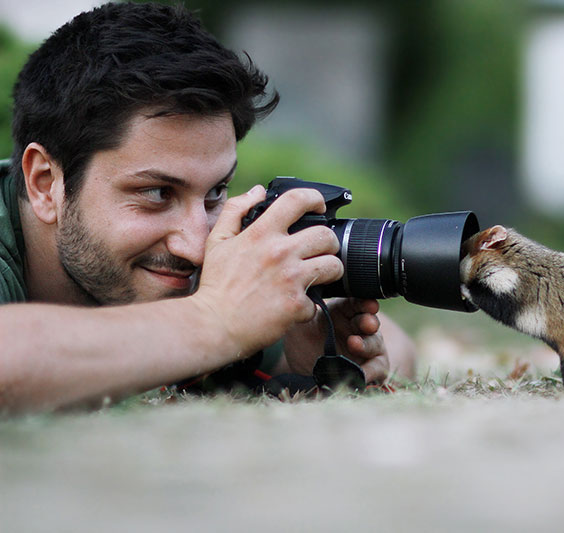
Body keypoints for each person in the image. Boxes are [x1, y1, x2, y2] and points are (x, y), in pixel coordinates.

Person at [0, 2, 416, 413]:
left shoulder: (176, 268)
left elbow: (399, 347)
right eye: (157, 193)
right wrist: (214, 320)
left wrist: (313, 354)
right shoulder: (207, 303)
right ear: (44, 182)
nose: (197, 247)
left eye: (216, 192)